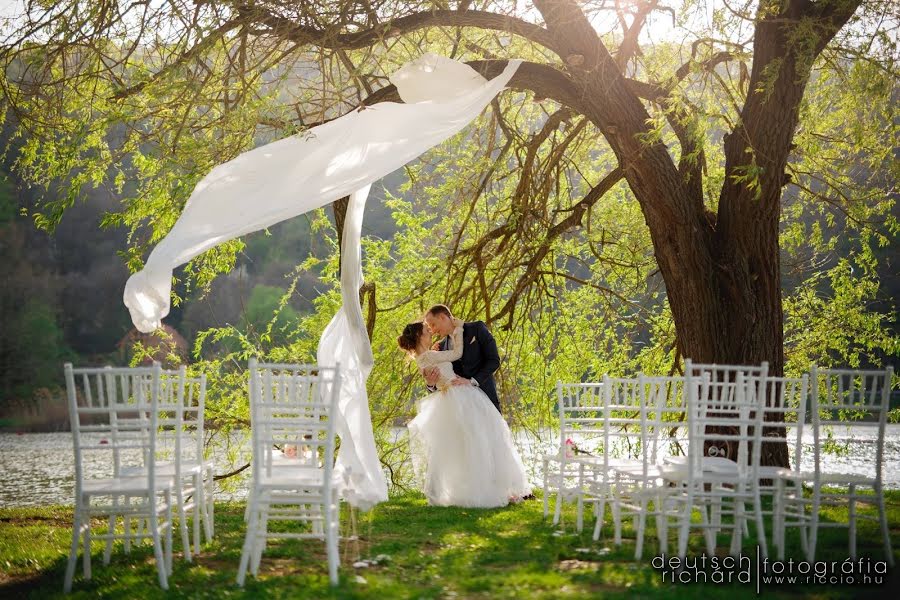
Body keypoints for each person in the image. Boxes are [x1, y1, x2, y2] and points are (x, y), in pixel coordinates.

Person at [398, 319, 531, 507]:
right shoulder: (434, 353)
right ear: (420, 336)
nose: (432, 331)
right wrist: (459, 330)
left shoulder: (427, 356)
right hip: (458, 396)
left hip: (454, 397)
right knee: (473, 441)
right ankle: (481, 489)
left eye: (432, 326)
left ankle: (448, 491)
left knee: (455, 445)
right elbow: (456, 355)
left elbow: (439, 376)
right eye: (428, 330)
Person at [422, 305, 502, 413]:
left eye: (433, 324)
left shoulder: (477, 328)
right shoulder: (439, 348)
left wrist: (471, 381)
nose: (433, 330)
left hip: (487, 403)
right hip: (460, 410)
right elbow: (442, 382)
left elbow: (494, 360)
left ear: (442, 317)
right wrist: (430, 384)